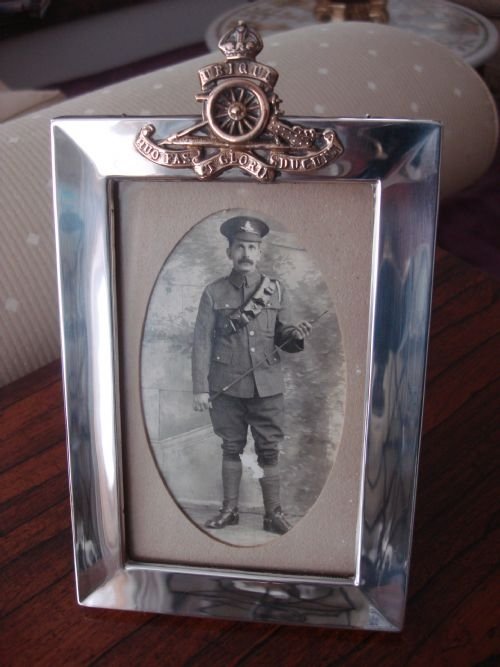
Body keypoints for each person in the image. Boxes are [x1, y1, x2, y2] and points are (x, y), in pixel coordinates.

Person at [191, 215, 312, 534]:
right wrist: (200, 388)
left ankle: (272, 514)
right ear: (229, 251)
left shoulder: (275, 290)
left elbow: (283, 339)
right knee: (230, 447)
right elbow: (201, 341)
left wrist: (296, 336)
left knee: (268, 450)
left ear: (259, 253)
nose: (246, 253)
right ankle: (229, 511)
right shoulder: (213, 292)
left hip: (267, 387)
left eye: (252, 247)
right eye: (240, 247)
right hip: (225, 386)